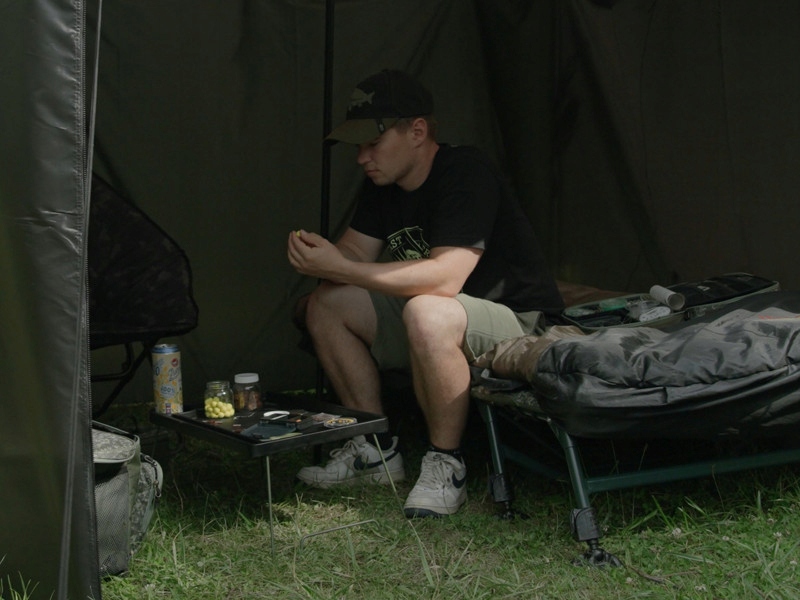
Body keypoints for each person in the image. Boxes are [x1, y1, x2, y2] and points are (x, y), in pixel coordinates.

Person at [287, 69, 563, 518]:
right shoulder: (383, 183)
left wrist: (344, 268)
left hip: (520, 325)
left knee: (427, 310)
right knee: (327, 303)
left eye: (372, 143)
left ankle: (446, 463)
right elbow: (353, 253)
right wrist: (323, 257)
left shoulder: (465, 170)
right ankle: (373, 449)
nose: (362, 158)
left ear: (416, 132)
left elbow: (446, 277)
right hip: (439, 315)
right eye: (358, 147)